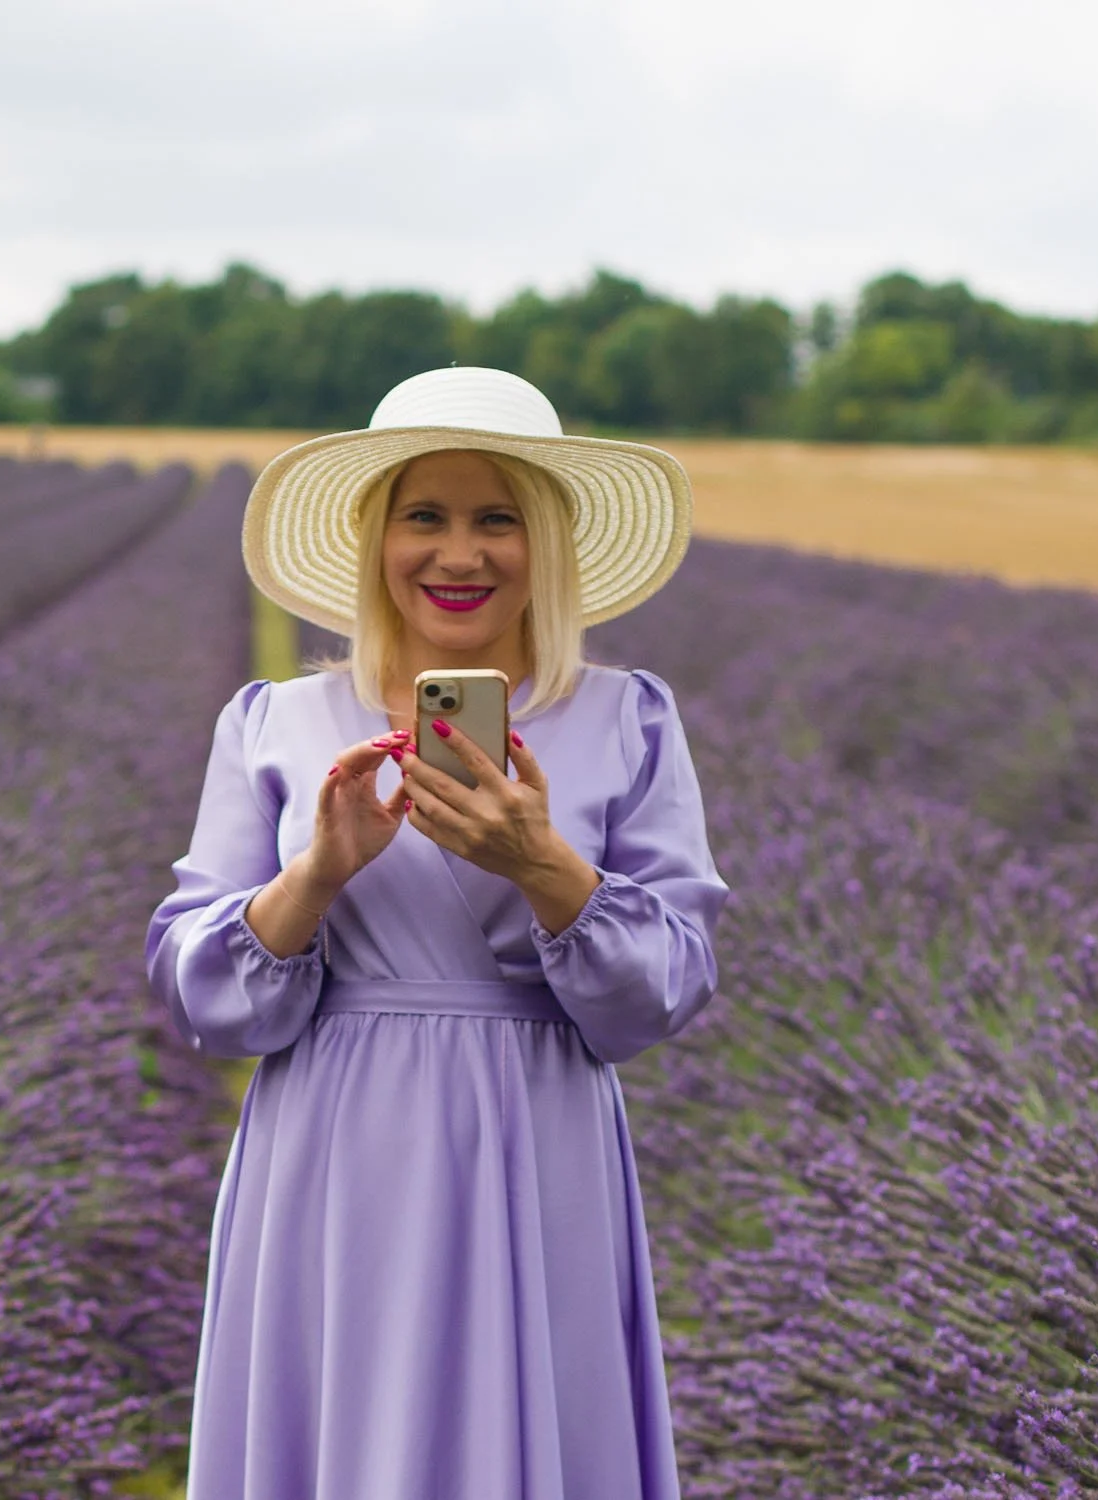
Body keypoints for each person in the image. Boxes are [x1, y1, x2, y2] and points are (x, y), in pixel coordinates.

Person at [145, 366, 730, 1500]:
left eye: (496, 518)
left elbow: (666, 988)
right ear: (376, 537)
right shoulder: (278, 722)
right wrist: (316, 874)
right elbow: (201, 994)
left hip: (539, 1136)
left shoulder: (630, 718)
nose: (459, 555)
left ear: (544, 542)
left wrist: (544, 866)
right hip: (335, 1147)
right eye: (425, 516)